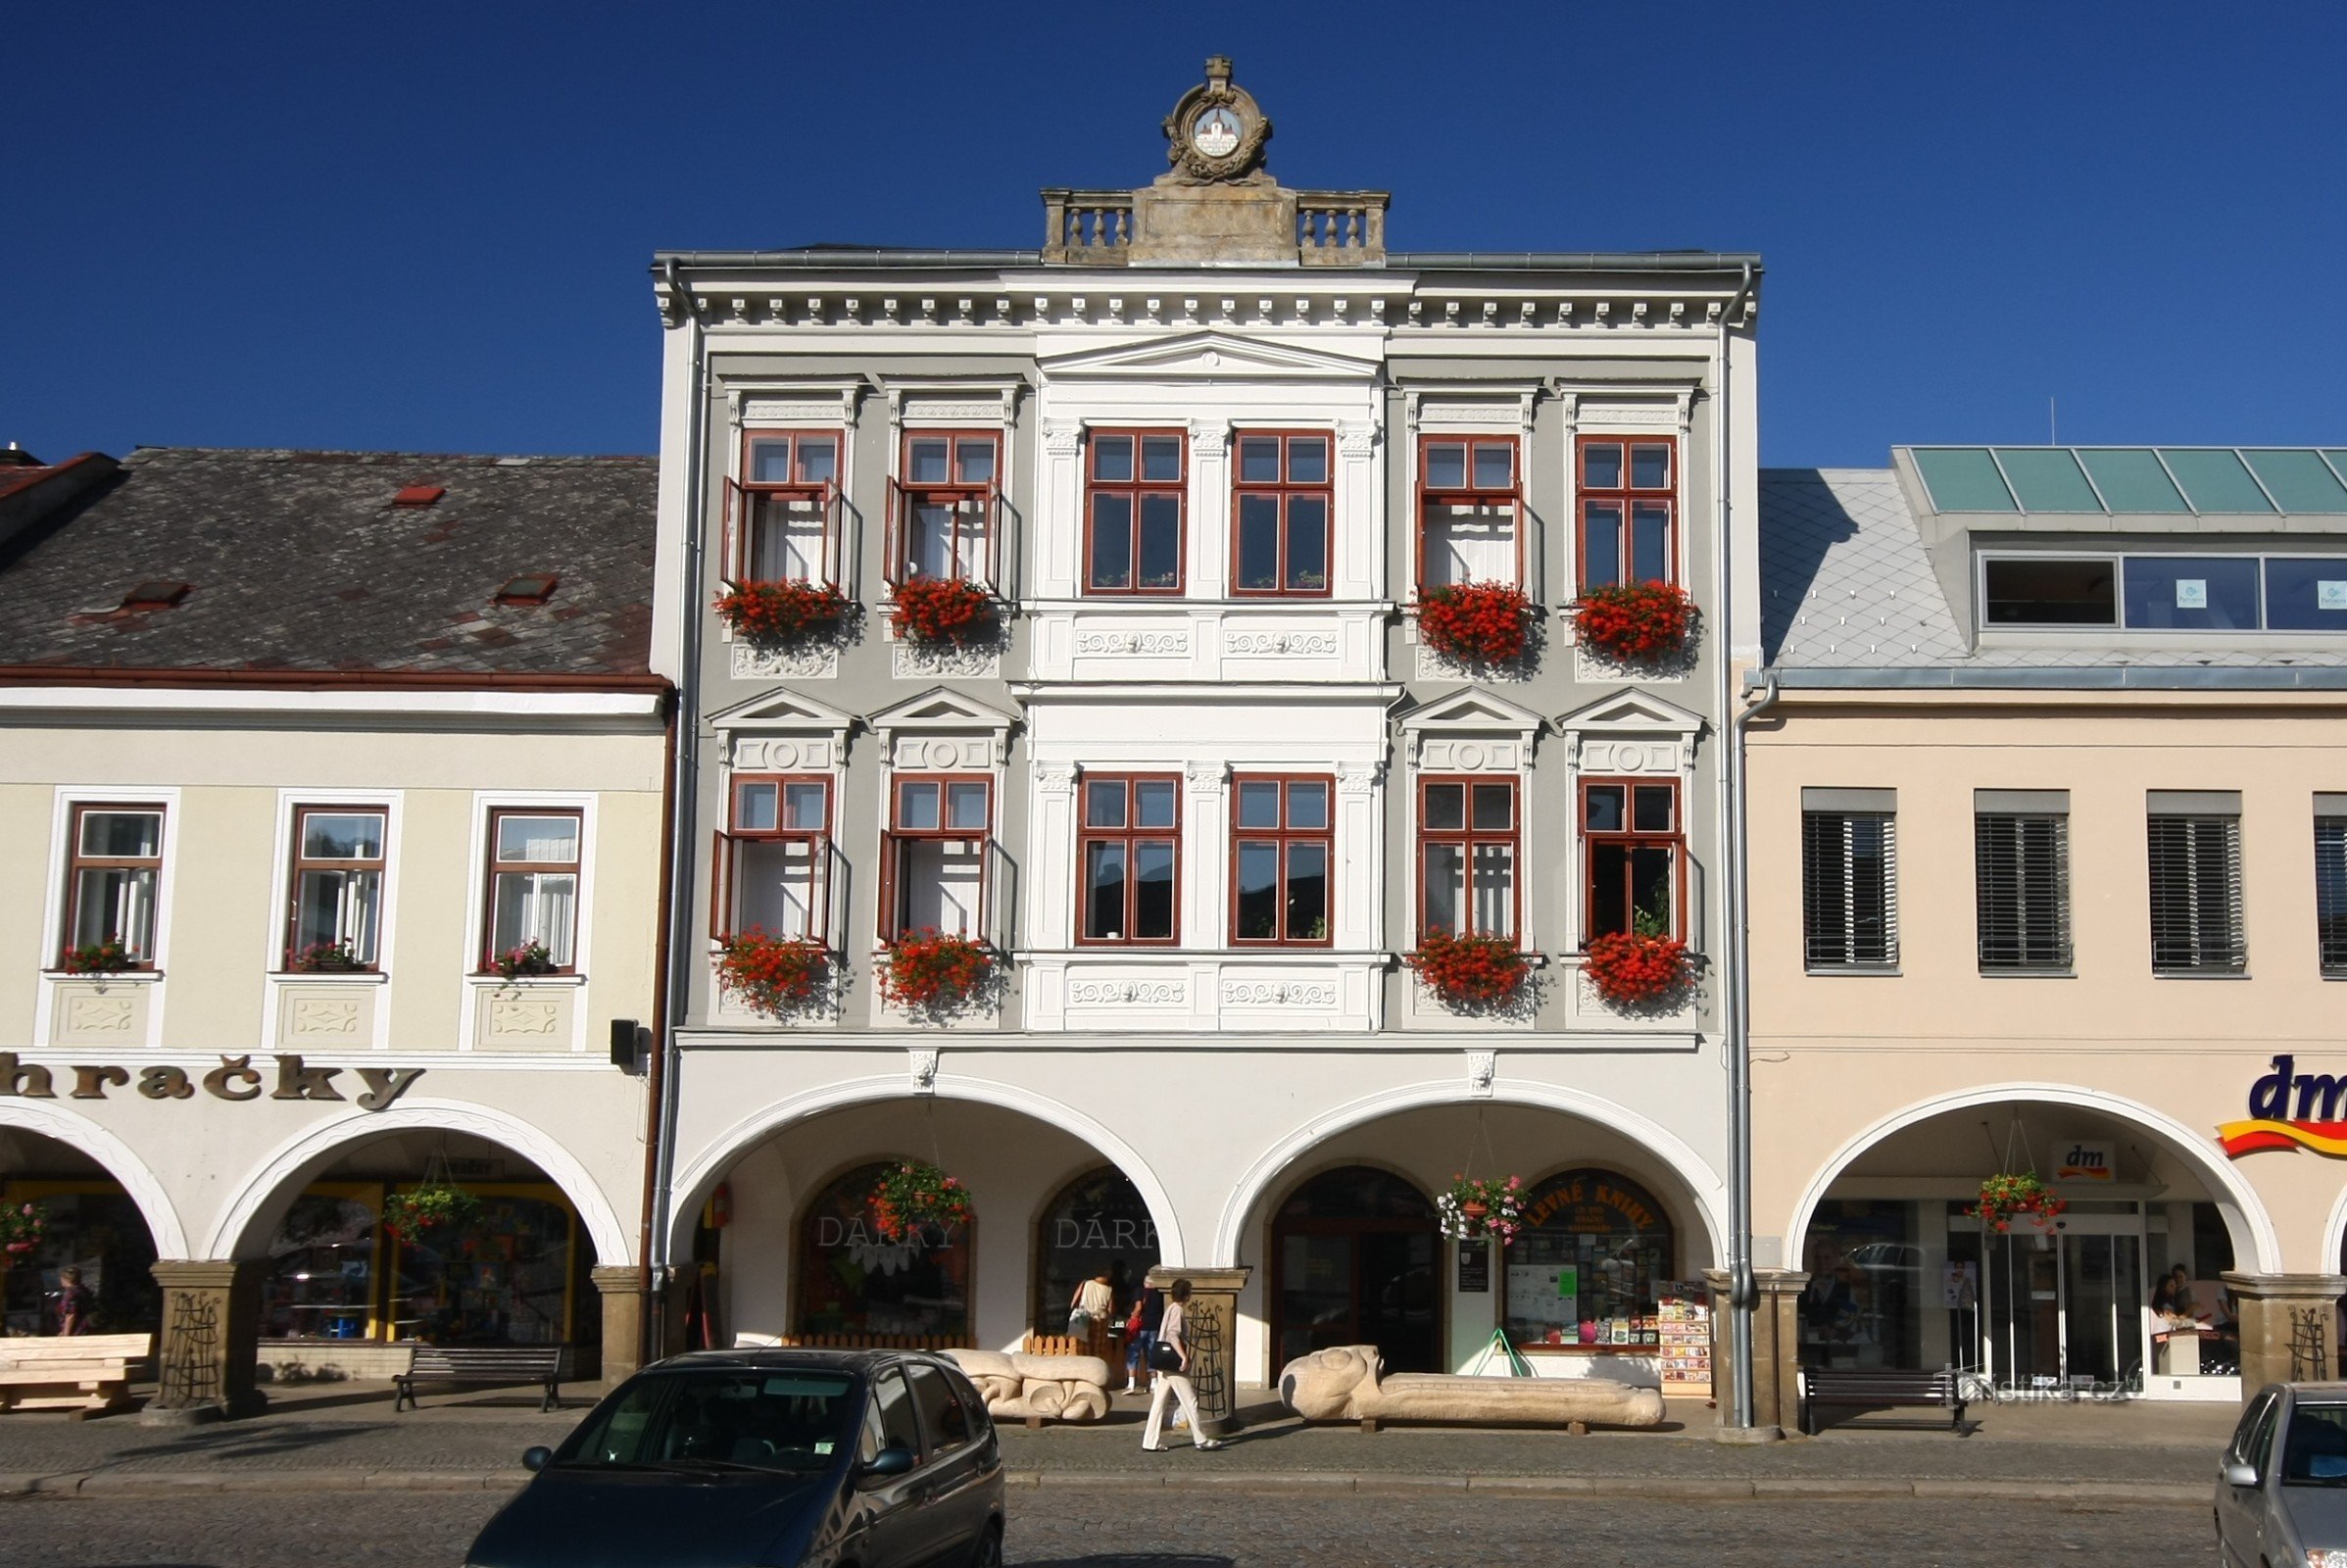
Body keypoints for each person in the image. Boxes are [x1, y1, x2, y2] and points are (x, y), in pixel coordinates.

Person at [1141, 1278, 1222, 1452]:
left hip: (1163, 1363)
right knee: (1190, 1400)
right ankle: (1200, 1439)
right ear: (1187, 1295)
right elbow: (1172, 1335)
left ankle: (1149, 1441)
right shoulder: (1177, 1310)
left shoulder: (1170, 1308)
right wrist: (1183, 1356)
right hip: (1173, 1364)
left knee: (1159, 1402)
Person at [1123, 1282, 1162, 1394]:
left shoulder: (1140, 1291)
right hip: (1154, 1327)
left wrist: (1132, 1317)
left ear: (1146, 1283)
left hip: (1140, 1327)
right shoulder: (1159, 1293)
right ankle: (1154, 1384)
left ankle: (1131, 1384)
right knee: (1151, 1354)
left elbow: (1139, 1307)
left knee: (1133, 1353)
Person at [1069, 1270, 1114, 1348]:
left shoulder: (1085, 1283)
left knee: (1080, 1345)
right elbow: (1110, 1309)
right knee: (1097, 1347)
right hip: (1100, 1319)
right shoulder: (1109, 1290)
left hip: (1083, 1316)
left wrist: (1072, 1308)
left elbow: (1075, 1299)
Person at [52, 1267, 93, 1337]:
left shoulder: (71, 1294)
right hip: (86, 1327)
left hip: (77, 1330)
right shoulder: (83, 1290)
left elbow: (70, 1314)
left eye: (61, 1278)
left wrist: (66, 1334)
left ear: (67, 1279)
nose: (61, 1280)